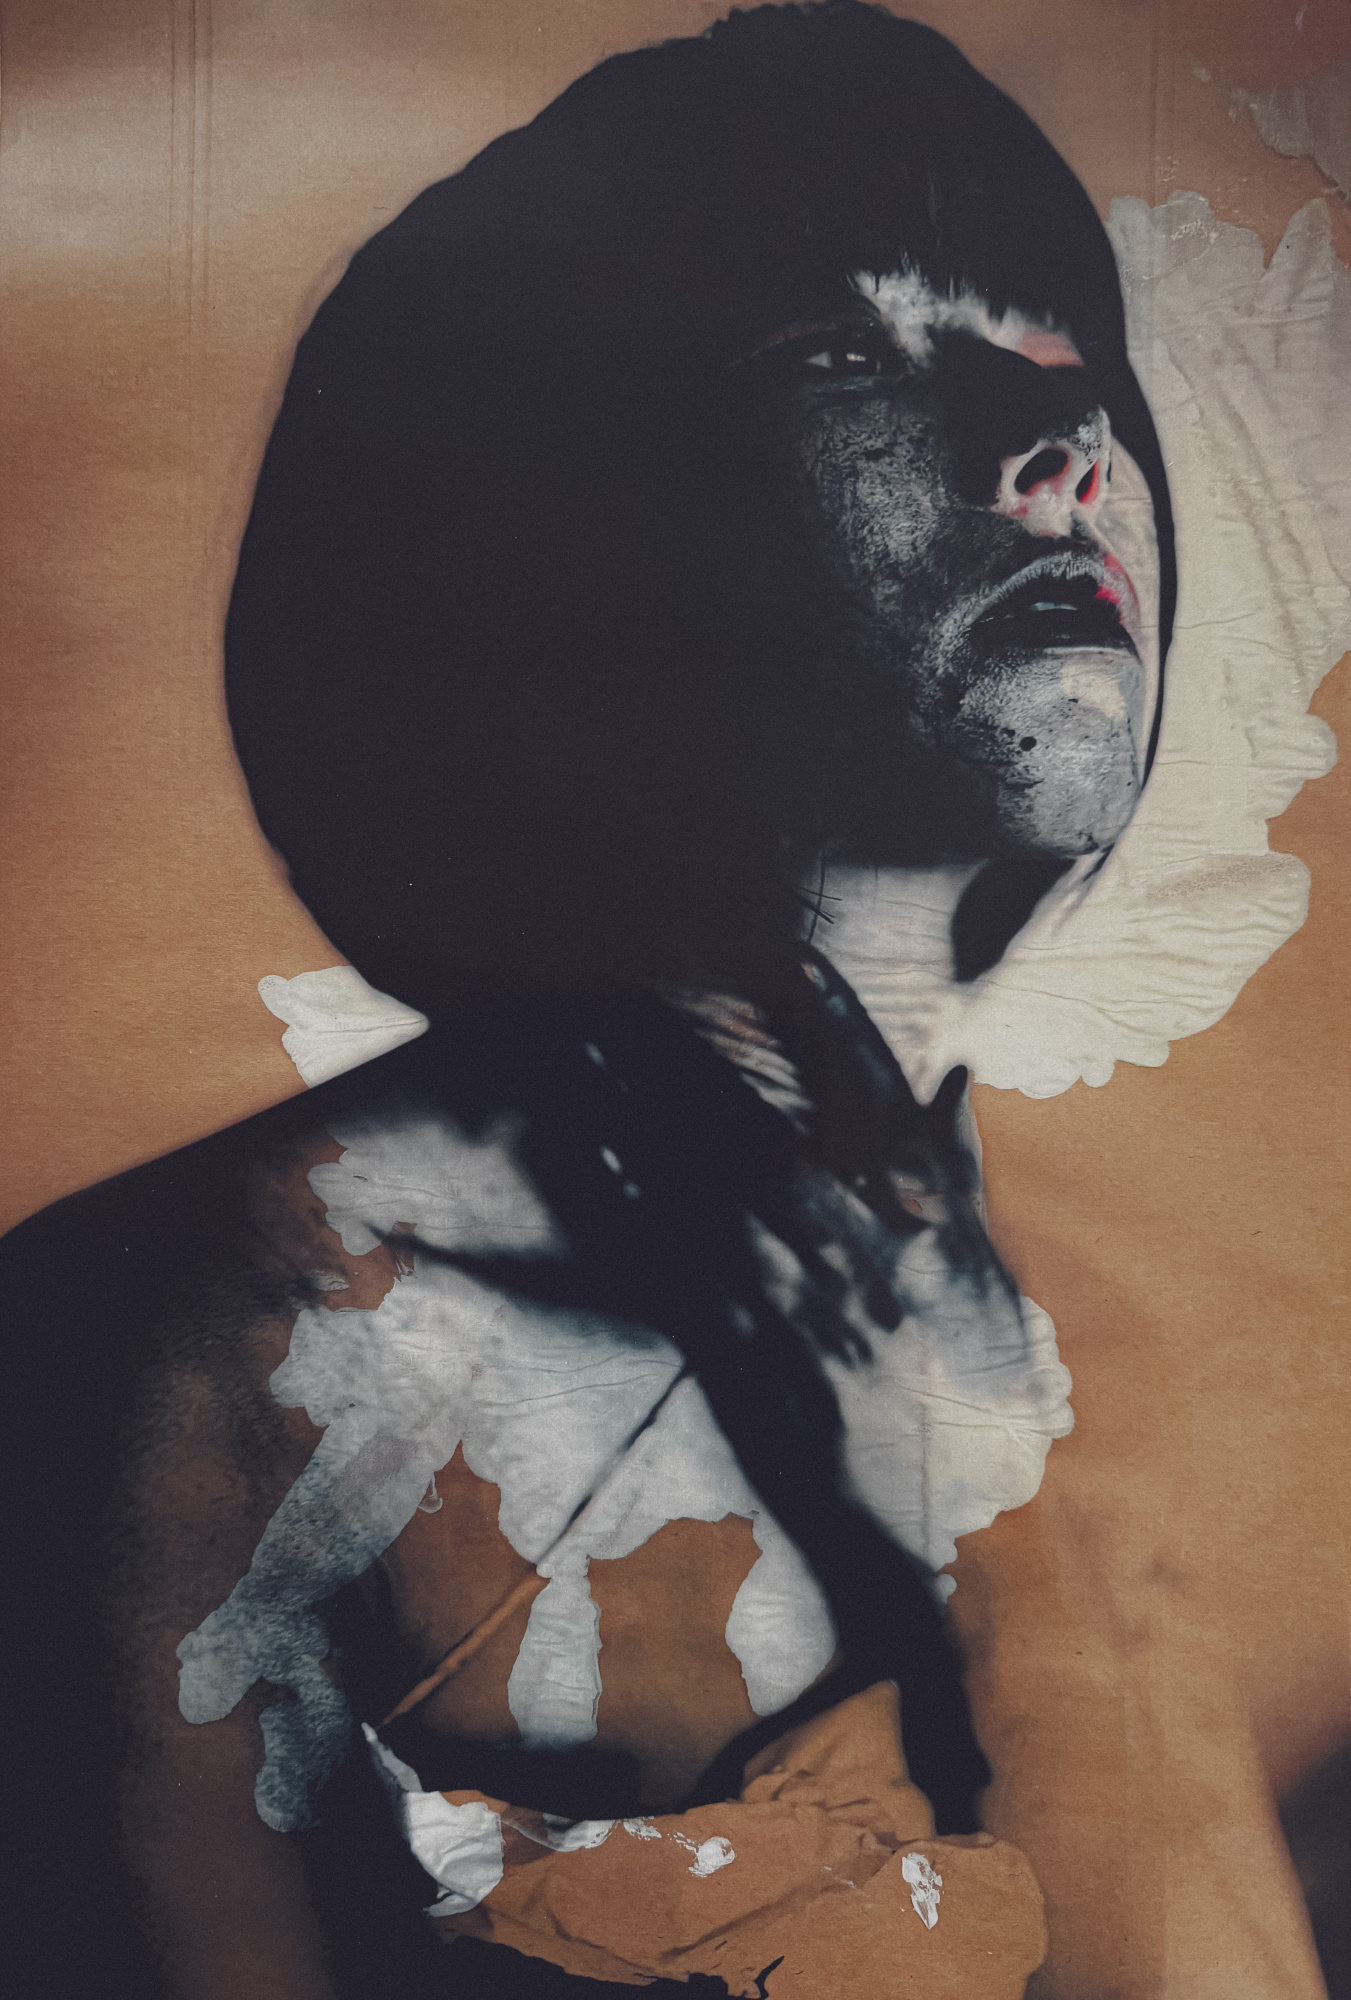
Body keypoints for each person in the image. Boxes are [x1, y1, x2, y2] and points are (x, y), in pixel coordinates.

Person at [1, 6, 1173, 1995]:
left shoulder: (1118, 1355)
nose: (1062, 444)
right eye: (845, 356)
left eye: (1076, 350)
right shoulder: (229, 1348)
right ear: (536, 531)